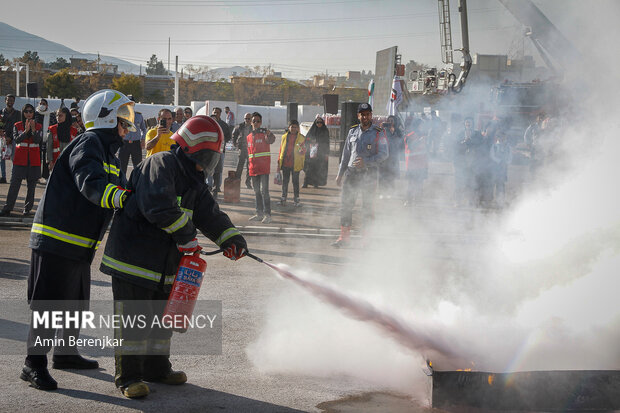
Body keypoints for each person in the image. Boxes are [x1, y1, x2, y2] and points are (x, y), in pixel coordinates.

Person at [100, 115, 248, 399]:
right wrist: (187, 237)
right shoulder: (161, 164)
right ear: (190, 147)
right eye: (205, 156)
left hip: (163, 265)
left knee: (160, 318)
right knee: (133, 321)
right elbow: (159, 206)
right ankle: (128, 378)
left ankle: (156, 368)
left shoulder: (194, 180)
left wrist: (231, 238)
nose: (206, 164)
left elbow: (210, 214)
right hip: (134, 261)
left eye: (211, 159)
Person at [22, 89, 135, 391]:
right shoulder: (89, 143)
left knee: (75, 304)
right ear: (107, 118)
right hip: (56, 240)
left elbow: (123, 190)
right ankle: (33, 365)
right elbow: (91, 183)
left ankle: (66, 353)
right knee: (48, 306)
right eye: (123, 121)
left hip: (78, 245)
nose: (126, 127)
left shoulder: (109, 153)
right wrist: (120, 199)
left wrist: (137, 201)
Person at [332, 103, 388, 247]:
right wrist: (340, 174)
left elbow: (384, 154)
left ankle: (366, 241)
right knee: (346, 205)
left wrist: (367, 162)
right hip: (351, 174)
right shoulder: (352, 132)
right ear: (358, 116)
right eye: (362, 114)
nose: (365, 117)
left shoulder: (378, 132)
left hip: (368, 174)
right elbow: (345, 154)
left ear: (371, 115)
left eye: (368, 114)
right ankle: (344, 238)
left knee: (367, 207)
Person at [0, 104, 43, 216]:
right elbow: (17, 139)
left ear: (33, 113)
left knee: (31, 187)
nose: (28, 114)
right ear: (23, 113)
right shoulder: (17, 125)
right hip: (20, 160)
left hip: (33, 161)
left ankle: (27, 209)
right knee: (14, 185)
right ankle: (8, 208)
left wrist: (33, 130)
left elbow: (38, 140)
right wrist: (26, 131)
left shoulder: (38, 126)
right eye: (26, 111)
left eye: (31, 111)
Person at [247, 112, 276, 223]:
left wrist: (269, 134)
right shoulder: (249, 137)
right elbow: (249, 154)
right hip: (253, 169)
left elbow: (272, 140)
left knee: (265, 192)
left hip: (263, 168)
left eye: (258, 121)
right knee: (257, 192)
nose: (256, 123)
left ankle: (267, 215)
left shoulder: (264, 134)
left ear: (261, 122)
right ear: (251, 122)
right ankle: (258, 213)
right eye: (254, 121)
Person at [277, 120, 305, 207]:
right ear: (288, 127)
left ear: (298, 128)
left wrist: (301, 150)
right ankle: (283, 198)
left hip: (295, 164)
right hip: (285, 163)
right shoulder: (284, 137)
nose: (293, 128)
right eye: (292, 126)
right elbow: (281, 150)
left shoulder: (302, 138)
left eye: (295, 127)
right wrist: (279, 162)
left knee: (295, 182)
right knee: (285, 182)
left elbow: (303, 152)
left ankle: (296, 200)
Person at [118, 95, 146, 175]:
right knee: (122, 166)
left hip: (136, 144)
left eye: (131, 103)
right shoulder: (121, 116)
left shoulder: (139, 116)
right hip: (124, 143)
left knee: (138, 166)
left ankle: (137, 184)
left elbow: (143, 129)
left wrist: (143, 139)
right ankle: (122, 184)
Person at [403, 119, 428, 206]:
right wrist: (420, 140)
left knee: (420, 184)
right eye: (421, 125)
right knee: (411, 184)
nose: (423, 127)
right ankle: (408, 200)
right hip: (412, 166)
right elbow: (411, 147)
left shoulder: (423, 136)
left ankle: (418, 201)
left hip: (422, 165)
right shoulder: (410, 136)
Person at [378, 115, 403, 197]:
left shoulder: (398, 131)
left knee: (391, 176)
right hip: (384, 157)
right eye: (389, 121)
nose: (391, 122)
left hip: (393, 157)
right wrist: (380, 128)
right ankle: (382, 192)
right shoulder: (383, 131)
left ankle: (390, 193)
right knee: (382, 176)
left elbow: (402, 144)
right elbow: (377, 139)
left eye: (392, 121)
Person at [208, 107, 231, 199]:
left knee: (218, 170)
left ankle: (216, 187)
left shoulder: (224, 125)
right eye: (214, 112)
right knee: (209, 169)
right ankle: (209, 185)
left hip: (220, 152)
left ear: (220, 114)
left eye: (217, 113)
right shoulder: (208, 124)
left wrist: (222, 141)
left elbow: (228, 137)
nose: (215, 114)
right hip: (209, 152)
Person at [46, 107, 78, 172]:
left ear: (67, 116)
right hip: (55, 162)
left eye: (60, 115)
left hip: (69, 163)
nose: (58, 117)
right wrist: (50, 162)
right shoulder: (52, 130)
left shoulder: (74, 131)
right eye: (57, 115)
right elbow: (49, 147)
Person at [302, 116, 330, 188]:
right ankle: (305, 183)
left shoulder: (325, 131)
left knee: (318, 168)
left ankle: (316, 183)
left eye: (320, 122)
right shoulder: (312, 130)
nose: (319, 124)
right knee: (309, 168)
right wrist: (311, 141)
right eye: (317, 122)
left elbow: (327, 143)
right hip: (311, 152)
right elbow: (306, 139)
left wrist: (327, 153)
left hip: (321, 153)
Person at [1, 94, 22, 183]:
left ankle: (13, 176)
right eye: (8, 100)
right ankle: (3, 176)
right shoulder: (1, 112)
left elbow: (18, 125)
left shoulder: (17, 113)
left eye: (12, 100)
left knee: (14, 158)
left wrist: (11, 137)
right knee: (2, 158)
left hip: (14, 138)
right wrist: (4, 135)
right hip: (3, 138)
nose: (10, 102)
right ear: (5, 101)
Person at [489, 129, 512, 207]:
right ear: (497, 137)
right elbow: (492, 155)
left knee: (501, 184)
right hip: (495, 168)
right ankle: (491, 200)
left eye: (503, 137)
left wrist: (506, 162)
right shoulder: (494, 146)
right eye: (500, 137)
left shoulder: (508, 146)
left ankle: (500, 200)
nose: (501, 138)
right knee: (492, 184)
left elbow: (510, 156)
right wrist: (499, 161)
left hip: (503, 168)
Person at [35, 99, 57, 181]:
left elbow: (54, 124)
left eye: (44, 104)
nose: (42, 105)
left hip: (47, 139)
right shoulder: (35, 114)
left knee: (46, 158)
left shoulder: (51, 115)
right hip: (37, 139)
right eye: (40, 103)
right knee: (37, 158)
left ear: (47, 105)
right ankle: (36, 176)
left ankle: (46, 176)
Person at [232, 112, 253, 189]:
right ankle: (237, 181)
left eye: (249, 118)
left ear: (251, 119)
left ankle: (248, 182)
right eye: (246, 118)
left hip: (251, 150)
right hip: (242, 148)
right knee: (240, 166)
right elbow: (234, 135)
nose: (247, 120)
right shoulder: (240, 126)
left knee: (250, 167)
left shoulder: (253, 127)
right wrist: (236, 144)